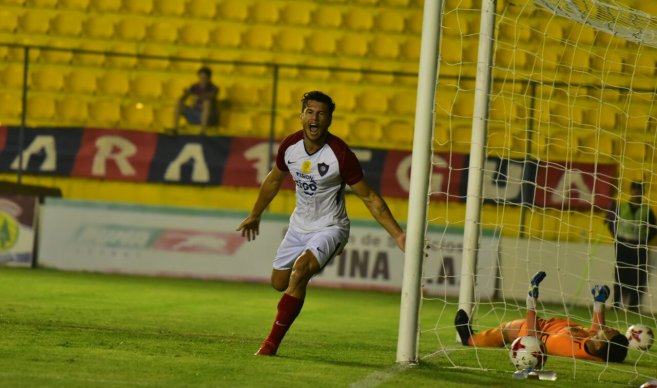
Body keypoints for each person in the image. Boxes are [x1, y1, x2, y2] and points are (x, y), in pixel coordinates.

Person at [237, 91, 406, 356]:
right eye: (310, 112)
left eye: (321, 113)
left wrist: (398, 235)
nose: (315, 118)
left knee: (300, 271)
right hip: (298, 226)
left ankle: (270, 344)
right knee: (279, 283)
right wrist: (256, 214)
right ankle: (306, 269)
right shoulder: (289, 147)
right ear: (302, 116)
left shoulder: (340, 154)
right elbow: (272, 180)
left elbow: (369, 197)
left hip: (331, 226)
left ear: (329, 120)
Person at [455, 271, 629, 363]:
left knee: (507, 330)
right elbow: (595, 331)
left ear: (600, 344)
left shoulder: (565, 346)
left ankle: (469, 339)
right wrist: (599, 303)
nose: (609, 328)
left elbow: (533, 338)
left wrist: (531, 300)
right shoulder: (596, 348)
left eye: (609, 332)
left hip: (536, 328)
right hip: (551, 326)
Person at [605, 181, 657, 312]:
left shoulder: (647, 210)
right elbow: (611, 222)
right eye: (635, 189)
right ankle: (616, 304)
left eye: (639, 190)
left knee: (637, 276)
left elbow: (653, 228)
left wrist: (644, 240)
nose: (637, 192)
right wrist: (616, 237)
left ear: (643, 192)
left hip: (638, 246)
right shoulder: (621, 207)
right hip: (622, 243)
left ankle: (633, 306)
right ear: (631, 190)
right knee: (620, 274)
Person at [173, 66, 219, 134]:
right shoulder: (194, 86)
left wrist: (197, 97)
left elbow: (210, 96)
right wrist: (186, 94)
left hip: (209, 118)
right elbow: (181, 100)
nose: (202, 80)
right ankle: (175, 129)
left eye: (204, 78)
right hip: (195, 114)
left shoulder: (214, 88)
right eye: (200, 77)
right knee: (179, 104)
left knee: (207, 102)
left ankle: (203, 131)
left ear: (209, 78)